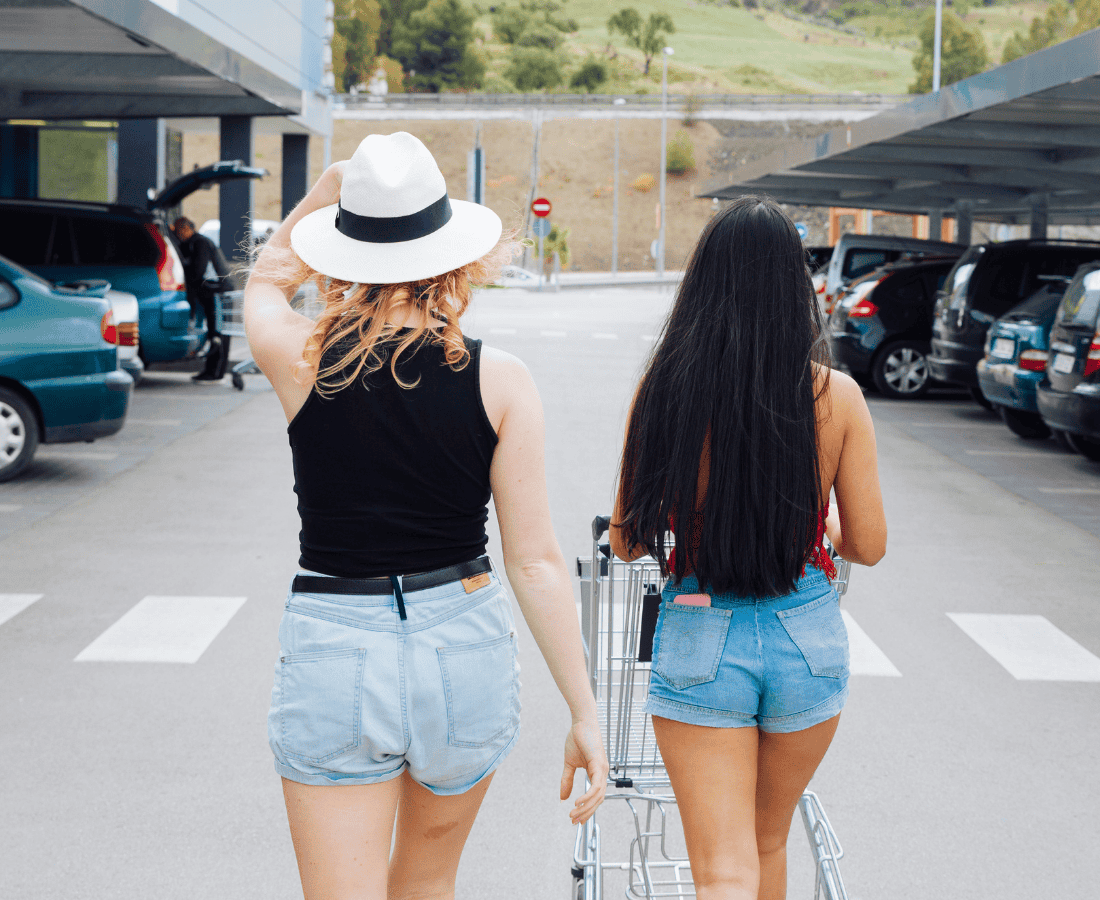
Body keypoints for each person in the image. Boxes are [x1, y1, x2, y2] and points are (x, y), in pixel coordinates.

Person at [243, 132, 608, 900]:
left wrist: (330, 189)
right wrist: (584, 710)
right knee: (428, 885)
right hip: (461, 640)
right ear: (452, 255)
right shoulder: (502, 380)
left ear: (343, 254)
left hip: (337, 638)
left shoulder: (302, 358)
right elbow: (535, 560)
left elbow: (265, 282)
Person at [610, 197, 886, 900]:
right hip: (806, 637)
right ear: (795, 289)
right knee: (768, 842)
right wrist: (817, 528)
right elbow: (870, 545)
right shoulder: (839, 396)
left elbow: (625, 540)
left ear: (703, 282)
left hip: (703, 631)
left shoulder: (664, 389)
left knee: (722, 869)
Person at [172, 216, 232, 382]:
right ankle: (213, 370)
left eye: (178, 231)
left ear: (186, 228)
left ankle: (215, 371)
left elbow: (198, 270)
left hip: (217, 291)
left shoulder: (200, 243)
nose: (178, 235)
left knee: (217, 331)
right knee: (216, 331)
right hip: (214, 291)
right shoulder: (193, 243)